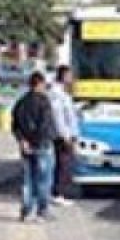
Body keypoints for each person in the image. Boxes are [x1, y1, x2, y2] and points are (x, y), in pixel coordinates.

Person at [11, 72, 57, 223]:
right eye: (44, 85)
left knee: (27, 180)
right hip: (42, 145)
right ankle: (42, 211)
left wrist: (23, 140)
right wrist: (36, 142)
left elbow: (15, 125)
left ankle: (26, 211)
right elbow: (44, 125)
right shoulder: (44, 102)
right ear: (40, 84)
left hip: (25, 146)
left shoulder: (21, 102)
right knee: (43, 179)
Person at [49, 65, 80, 207]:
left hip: (68, 135)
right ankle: (58, 193)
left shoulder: (64, 93)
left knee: (66, 165)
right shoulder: (56, 94)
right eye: (69, 76)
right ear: (63, 76)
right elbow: (58, 117)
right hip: (63, 137)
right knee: (63, 165)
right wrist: (65, 136)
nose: (72, 79)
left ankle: (61, 192)